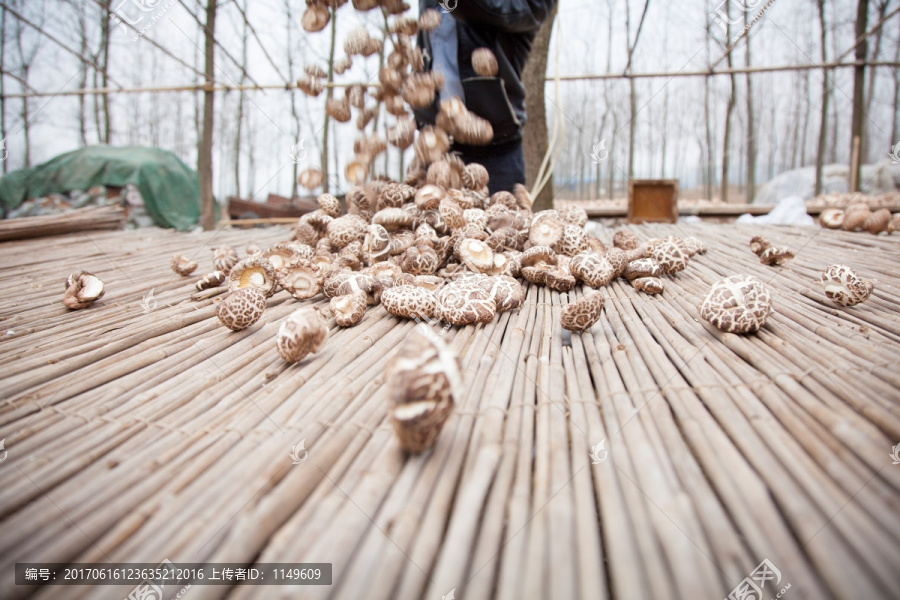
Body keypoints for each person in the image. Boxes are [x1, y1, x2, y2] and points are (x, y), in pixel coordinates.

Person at [413, 0, 557, 194]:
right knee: (429, 220)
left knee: (503, 219)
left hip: (496, 149)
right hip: (436, 144)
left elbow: (508, 11)